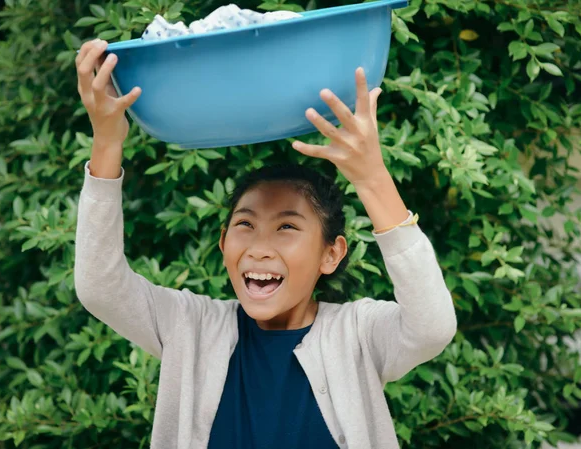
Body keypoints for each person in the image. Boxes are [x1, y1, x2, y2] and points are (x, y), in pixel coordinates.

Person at [74, 38, 457, 449]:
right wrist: (108, 142)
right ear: (223, 243)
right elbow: (100, 286)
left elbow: (432, 327)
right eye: (245, 224)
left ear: (332, 254)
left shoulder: (358, 335)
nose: (259, 247)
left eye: (287, 228)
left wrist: (372, 178)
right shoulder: (190, 327)